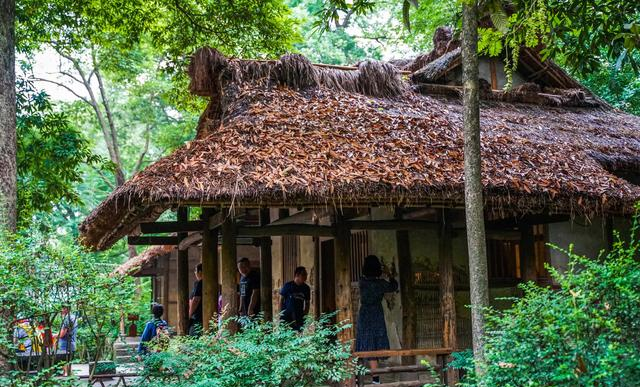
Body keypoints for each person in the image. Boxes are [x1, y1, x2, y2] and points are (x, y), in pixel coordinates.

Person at [356, 255, 398, 385]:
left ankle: (358, 375)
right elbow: (394, 286)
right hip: (376, 313)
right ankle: (376, 378)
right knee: (375, 343)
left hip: (364, 314)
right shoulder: (380, 284)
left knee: (363, 342)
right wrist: (389, 273)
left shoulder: (361, 282)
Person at [280, 266, 311, 331]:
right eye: (303, 274)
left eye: (306, 275)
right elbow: (281, 300)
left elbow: (307, 303)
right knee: (285, 336)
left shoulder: (306, 288)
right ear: (297, 275)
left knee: (298, 336)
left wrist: (305, 315)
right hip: (287, 316)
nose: (305, 277)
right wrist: (281, 313)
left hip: (299, 316)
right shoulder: (288, 285)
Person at [56, 306, 78, 376]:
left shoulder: (67, 319)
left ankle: (67, 376)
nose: (61, 310)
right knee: (69, 362)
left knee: (64, 361)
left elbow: (62, 334)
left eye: (62, 308)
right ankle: (69, 375)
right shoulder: (74, 317)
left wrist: (53, 335)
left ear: (66, 309)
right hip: (72, 342)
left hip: (65, 343)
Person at [188, 264, 203, 336]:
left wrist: (189, 314)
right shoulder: (198, 283)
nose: (195, 273)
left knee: (193, 335)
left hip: (197, 316)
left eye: (195, 271)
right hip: (198, 316)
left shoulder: (200, 283)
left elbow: (196, 300)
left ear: (200, 272)